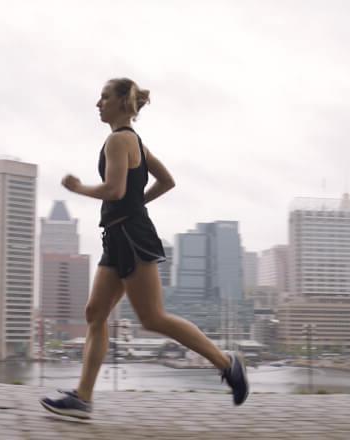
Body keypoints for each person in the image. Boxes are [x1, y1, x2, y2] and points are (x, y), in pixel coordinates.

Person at [40, 78, 248, 419]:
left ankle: (228, 364)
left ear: (122, 102)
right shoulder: (134, 141)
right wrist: (138, 204)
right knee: (95, 313)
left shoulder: (118, 140)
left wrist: (79, 188)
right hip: (118, 237)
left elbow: (115, 190)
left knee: (153, 318)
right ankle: (83, 397)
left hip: (132, 238)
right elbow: (166, 181)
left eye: (104, 97)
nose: (98, 103)